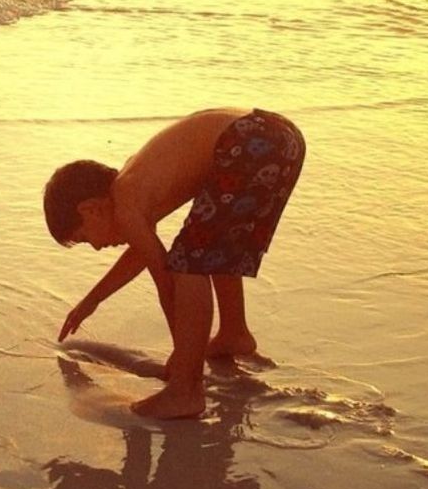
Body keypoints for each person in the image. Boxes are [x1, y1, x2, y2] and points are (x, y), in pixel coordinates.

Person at [43, 107, 305, 419]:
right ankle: (234, 333)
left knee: (188, 261)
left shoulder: (127, 201)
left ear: (90, 210)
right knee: (214, 245)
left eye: (86, 238)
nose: (98, 247)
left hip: (245, 142)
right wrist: (92, 300)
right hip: (279, 137)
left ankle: (185, 391)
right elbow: (141, 253)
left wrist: (184, 359)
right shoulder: (136, 184)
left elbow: (166, 279)